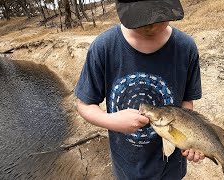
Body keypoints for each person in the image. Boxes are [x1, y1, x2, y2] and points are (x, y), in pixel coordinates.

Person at [75, 0, 203, 179]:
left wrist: (189, 138)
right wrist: (111, 120)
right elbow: (84, 104)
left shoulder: (185, 47)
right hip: (126, 168)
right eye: (142, 18)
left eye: (159, 16)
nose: (151, 25)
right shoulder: (104, 47)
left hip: (171, 168)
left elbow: (186, 102)